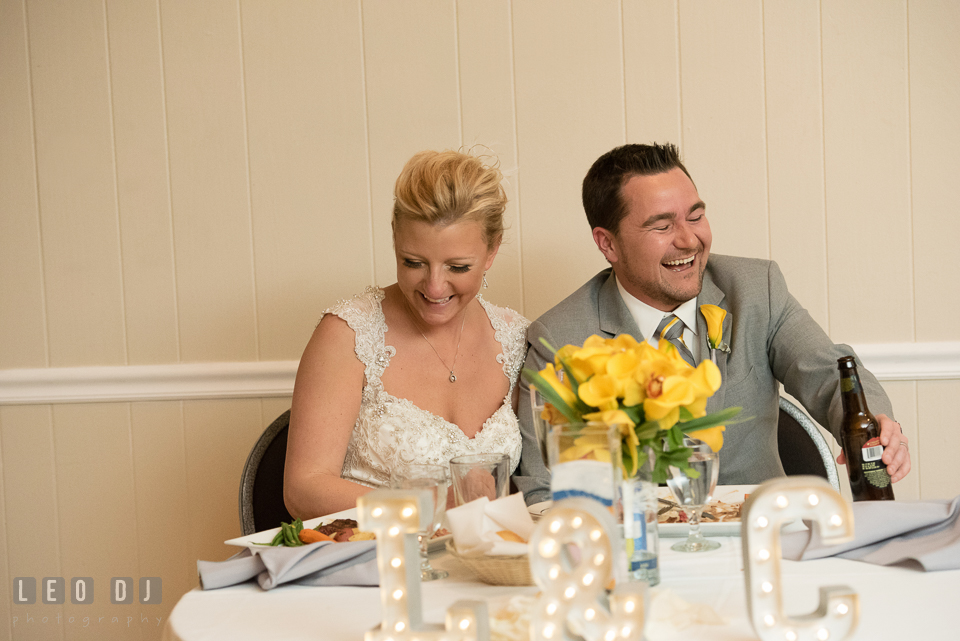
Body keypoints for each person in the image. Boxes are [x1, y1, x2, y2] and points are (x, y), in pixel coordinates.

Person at [514, 143, 911, 503]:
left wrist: (874, 420)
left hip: (767, 538)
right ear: (608, 244)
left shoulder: (757, 289)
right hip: (640, 554)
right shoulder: (560, 339)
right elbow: (543, 489)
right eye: (662, 225)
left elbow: (828, 372)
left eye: (696, 215)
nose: (689, 240)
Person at [284, 150, 530, 520]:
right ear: (395, 239)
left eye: (458, 267)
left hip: (485, 564)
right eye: (412, 262)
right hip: (374, 563)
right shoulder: (348, 335)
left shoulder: (515, 338)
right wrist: (429, 507)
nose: (433, 287)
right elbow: (304, 490)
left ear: (492, 250)